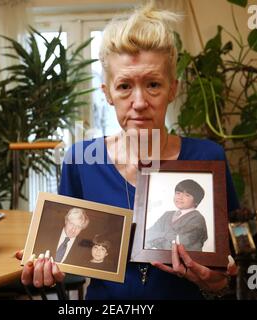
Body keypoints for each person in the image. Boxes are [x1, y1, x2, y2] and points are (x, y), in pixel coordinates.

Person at [19, 3, 239, 299]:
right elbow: (66, 256)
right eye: (124, 86)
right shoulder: (81, 161)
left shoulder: (208, 159)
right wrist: (46, 271)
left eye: (153, 84)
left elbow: (225, 271)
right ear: (107, 93)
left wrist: (215, 284)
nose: (138, 102)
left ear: (173, 89)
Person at [145, 179, 208, 251]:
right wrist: (167, 236)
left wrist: (159, 236)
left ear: (196, 201)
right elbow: (148, 234)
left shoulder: (197, 218)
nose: (180, 197)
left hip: (186, 259)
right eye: (178, 193)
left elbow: (183, 242)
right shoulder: (167, 215)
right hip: (161, 256)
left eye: (187, 195)